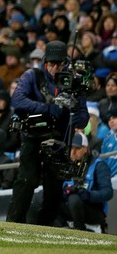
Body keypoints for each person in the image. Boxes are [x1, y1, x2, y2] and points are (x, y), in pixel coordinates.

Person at [6, 40, 89, 226]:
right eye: (51, 64)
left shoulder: (74, 81)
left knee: (54, 189)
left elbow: (83, 117)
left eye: (59, 64)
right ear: (45, 62)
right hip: (33, 138)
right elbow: (17, 100)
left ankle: (44, 226)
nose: (54, 68)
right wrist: (47, 108)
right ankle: (13, 223)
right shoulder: (33, 75)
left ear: (65, 63)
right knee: (27, 181)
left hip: (59, 141)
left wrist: (70, 111)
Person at [57, 133, 113, 232]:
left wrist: (88, 195)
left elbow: (108, 193)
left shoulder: (99, 165)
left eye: (77, 149)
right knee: (50, 198)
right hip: (71, 206)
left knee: (74, 198)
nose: (73, 152)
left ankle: (80, 231)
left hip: (93, 210)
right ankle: (59, 228)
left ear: (86, 149)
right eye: (71, 148)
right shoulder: (68, 165)